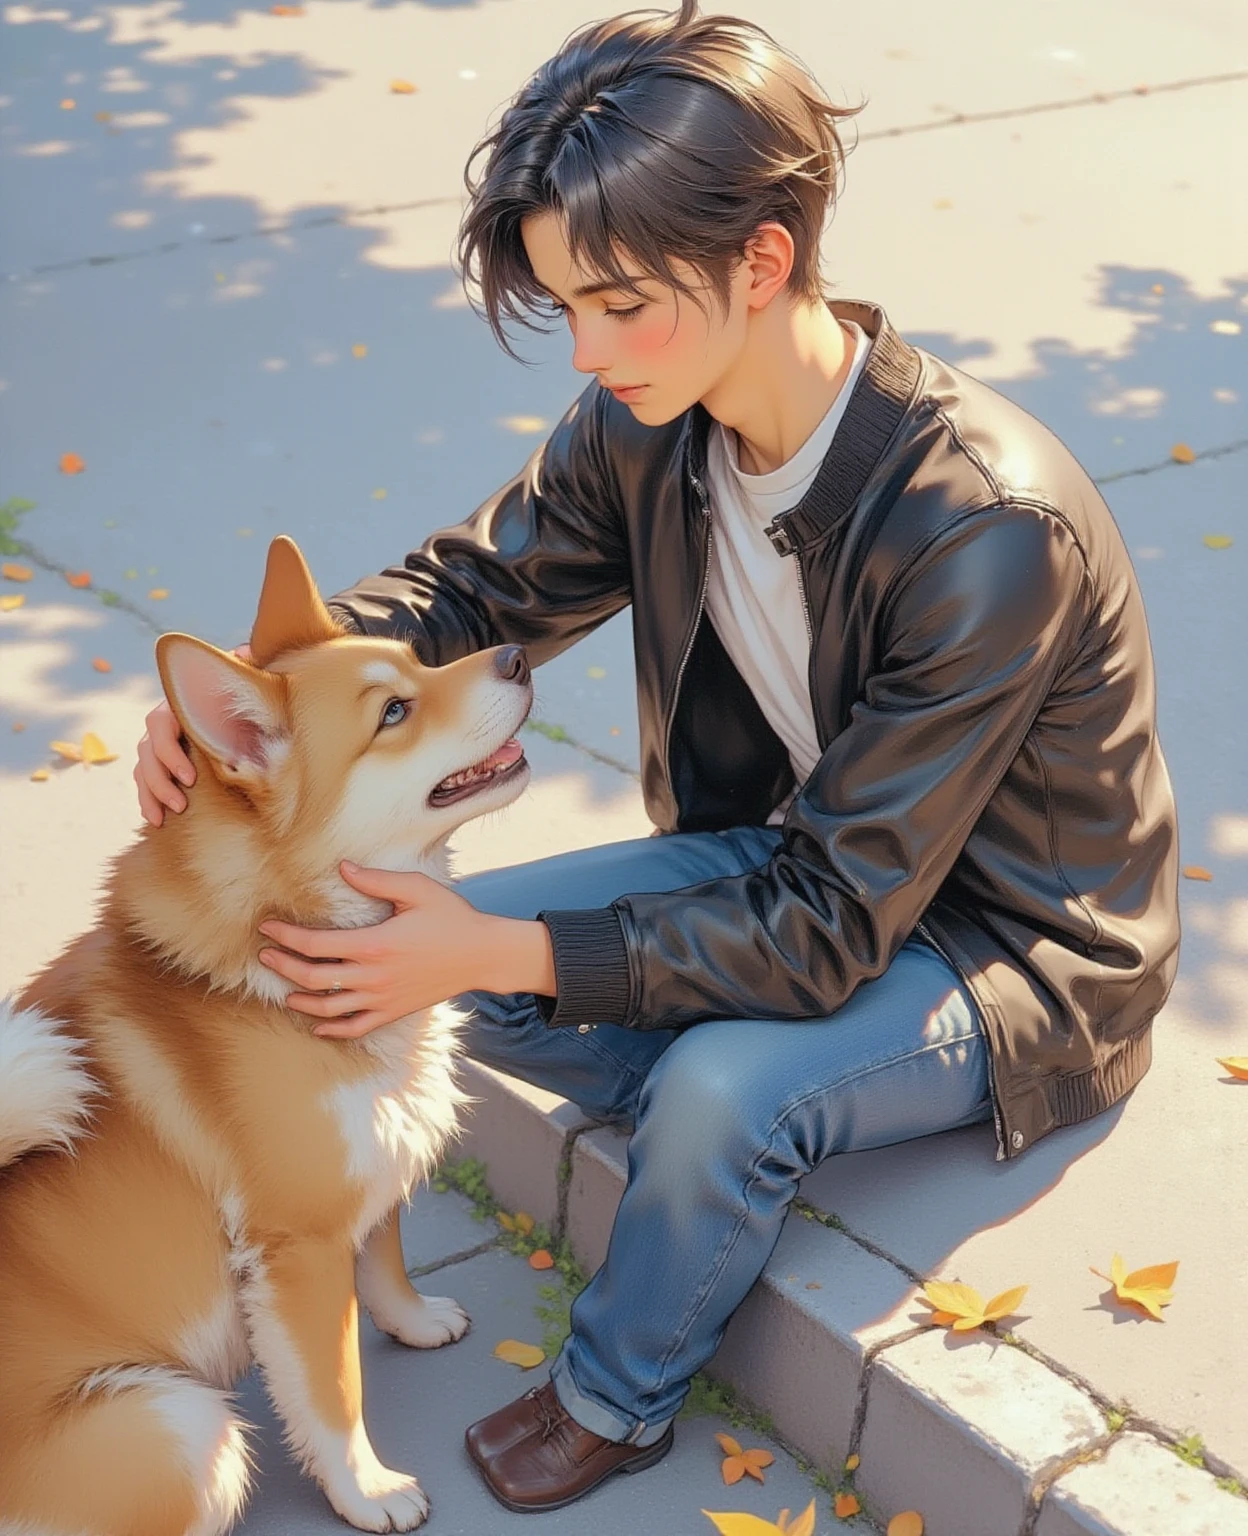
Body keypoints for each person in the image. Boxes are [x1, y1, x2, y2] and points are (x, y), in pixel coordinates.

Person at [134, 0, 1181, 1514]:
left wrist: (532, 950)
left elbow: (835, 922)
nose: (586, 347)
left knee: (713, 1096)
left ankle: (617, 1393)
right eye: (566, 304)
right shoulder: (648, 418)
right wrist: (255, 701)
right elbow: (471, 594)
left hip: (1004, 948)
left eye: (620, 303)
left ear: (763, 261)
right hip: (793, 859)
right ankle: (732, 1057)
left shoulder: (982, 533)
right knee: (382, 949)